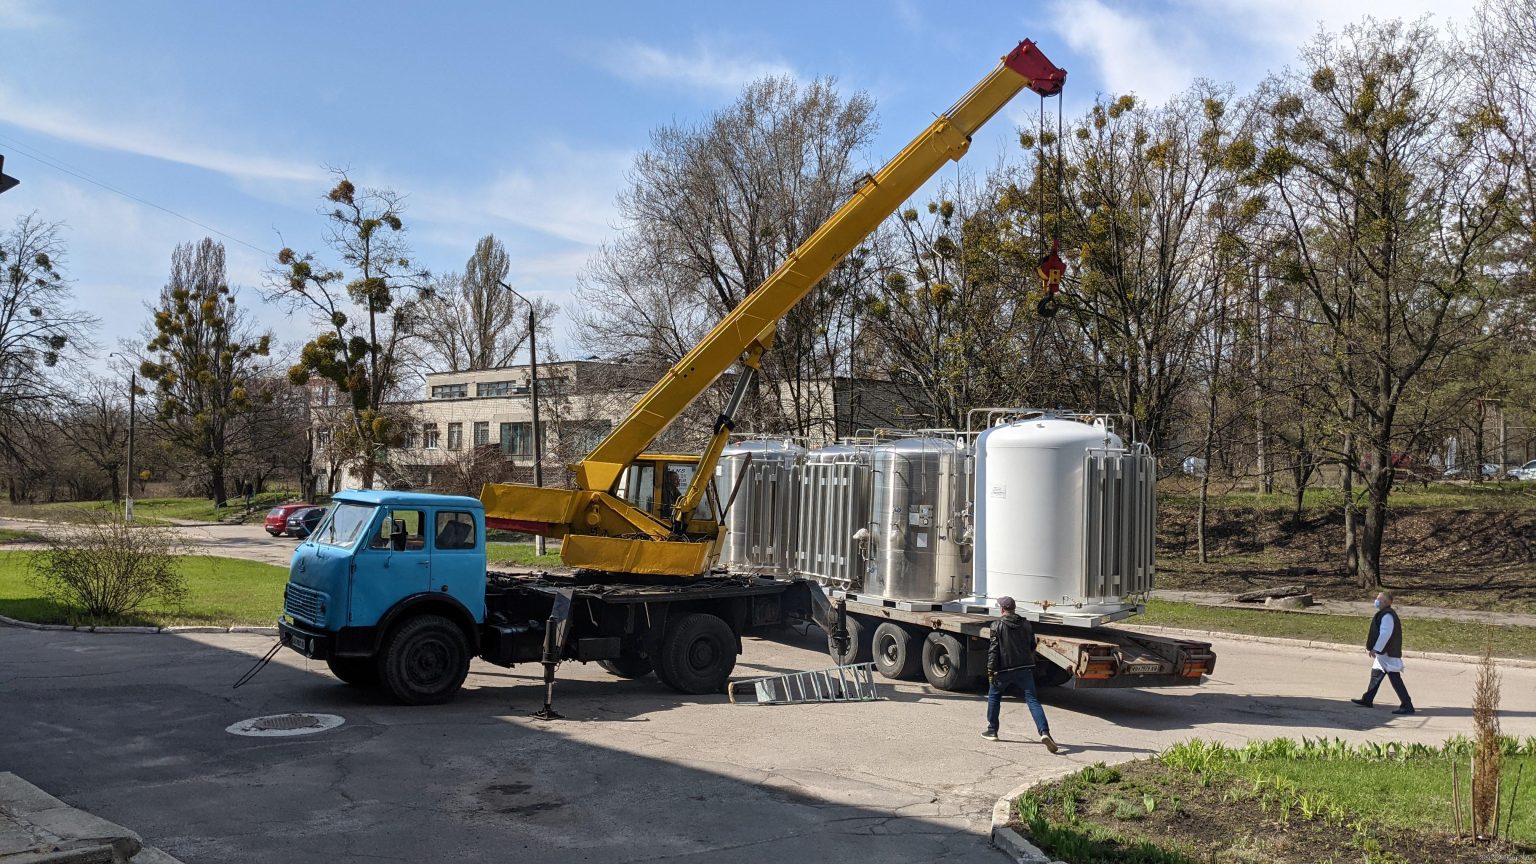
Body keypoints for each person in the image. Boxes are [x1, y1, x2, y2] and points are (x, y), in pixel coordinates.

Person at [983, 596, 1057, 752]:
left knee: (994, 696)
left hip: (1003, 670)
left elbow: (993, 650)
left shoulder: (996, 625)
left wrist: (991, 669)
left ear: (1002, 609)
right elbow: (1032, 645)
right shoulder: (1026, 624)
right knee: (1032, 700)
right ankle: (1044, 732)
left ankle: (992, 730)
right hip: (1025, 669)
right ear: (1014, 608)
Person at [1351, 590, 1415, 715]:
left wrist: (1376, 648)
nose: (1376, 600)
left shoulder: (1387, 615)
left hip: (1388, 652)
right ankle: (1367, 699)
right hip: (1384, 653)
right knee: (1376, 674)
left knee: (1395, 678)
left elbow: (1385, 634)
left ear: (1385, 602)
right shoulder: (1384, 613)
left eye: (1378, 599)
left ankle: (1407, 705)